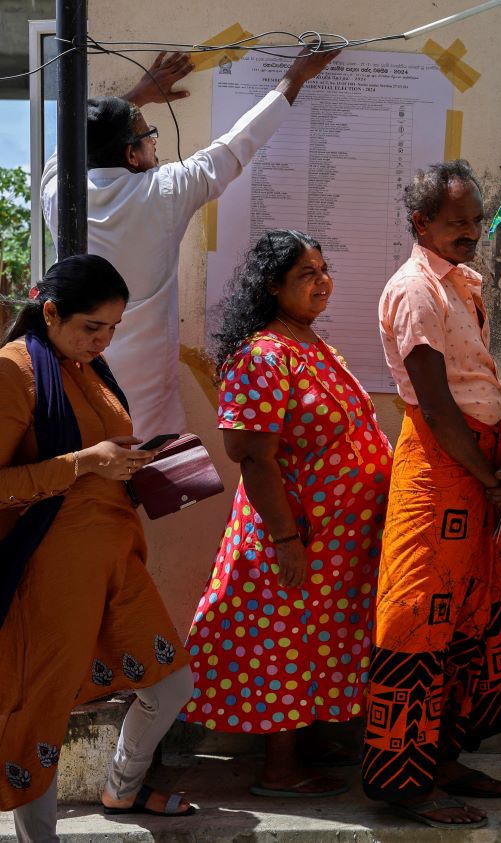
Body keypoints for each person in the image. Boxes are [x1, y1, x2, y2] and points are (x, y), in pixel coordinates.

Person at [180, 230, 392, 797]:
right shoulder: (263, 354)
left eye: (325, 271)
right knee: (283, 645)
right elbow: (252, 454)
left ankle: (313, 741)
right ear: (273, 286)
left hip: (335, 540)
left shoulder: (312, 346)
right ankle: (279, 768)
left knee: (318, 639)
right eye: (307, 274)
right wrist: (285, 539)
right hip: (293, 534)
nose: (323, 283)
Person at [41, 48, 339, 439]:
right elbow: (237, 145)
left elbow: (78, 141)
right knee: (147, 487)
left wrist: (139, 95)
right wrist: (296, 76)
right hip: (145, 398)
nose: (155, 146)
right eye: (149, 137)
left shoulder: (57, 191)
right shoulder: (164, 192)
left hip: (73, 382)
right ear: (132, 154)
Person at [0, 255, 196, 842]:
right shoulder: (14, 372)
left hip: (116, 556)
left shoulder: (89, 366)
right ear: (51, 312)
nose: (103, 340)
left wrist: (143, 464)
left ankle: (122, 787)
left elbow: (105, 452)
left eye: (113, 328)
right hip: (50, 570)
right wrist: (86, 463)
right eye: (92, 327)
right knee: (43, 710)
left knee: (170, 684)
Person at [365, 160, 501, 829]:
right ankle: (405, 780)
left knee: (467, 616)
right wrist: (490, 473)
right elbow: (436, 406)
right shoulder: (414, 290)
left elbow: (481, 384)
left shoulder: (462, 286)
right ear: (421, 223)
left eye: (475, 219)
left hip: (478, 466)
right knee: (417, 621)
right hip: (440, 472)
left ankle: (444, 756)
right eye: (457, 221)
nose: (471, 231)